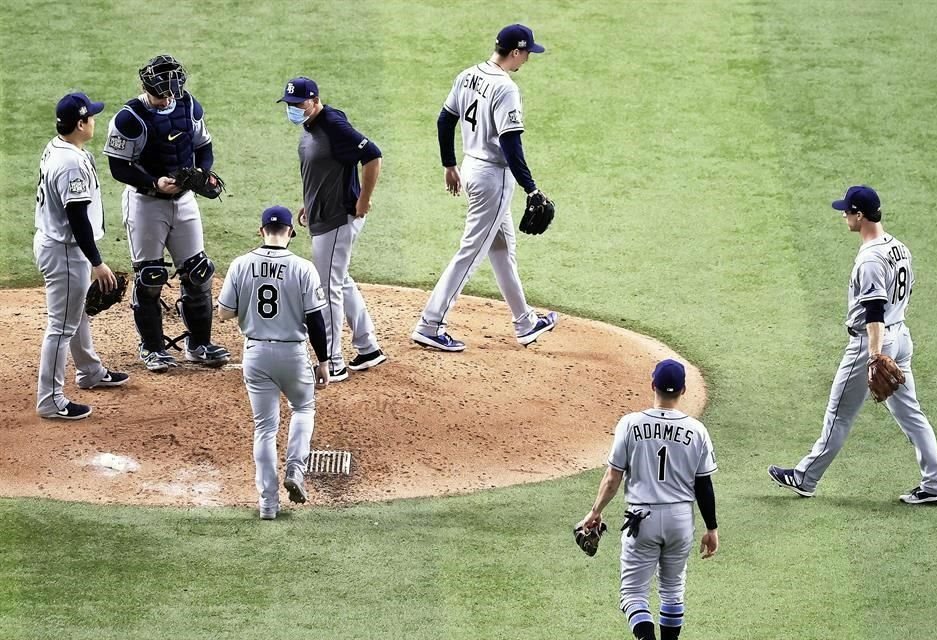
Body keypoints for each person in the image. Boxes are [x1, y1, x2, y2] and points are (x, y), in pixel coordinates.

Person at [769, 186, 937, 505]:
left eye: (847, 211)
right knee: (912, 414)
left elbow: (874, 309)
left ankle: (804, 477)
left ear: (860, 215)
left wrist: (875, 355)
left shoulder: (869, 258)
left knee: (839, 414)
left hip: (872, 340)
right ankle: (935, 484)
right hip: (901, 335)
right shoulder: (899, 247)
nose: (844, 215)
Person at [411, 24, 558, 352]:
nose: (528, 60)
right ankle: (430, 324)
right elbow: (510, 142)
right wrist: (531, 189)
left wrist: (449, 164)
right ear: (516, 52)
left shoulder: (467, 75)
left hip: (470, 167)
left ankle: (525, 322)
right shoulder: (506, 88)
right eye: (527, 54)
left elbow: (444, 119)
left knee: (502, 249)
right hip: (493, 178)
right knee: (472, 251)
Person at [102, 54, 229, 373]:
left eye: (172, 92)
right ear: (147, 87)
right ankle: (152, 348)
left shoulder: (189, 106)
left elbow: (205, 146)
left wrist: (204, 172)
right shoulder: (129, 118)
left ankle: (199, 344)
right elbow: (118, 166)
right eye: (162, 94)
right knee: (150, 275)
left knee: (199, 271)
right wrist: (153, 181)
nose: (167, 99)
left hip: (184, 201)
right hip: (145, 203)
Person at [577, 359, 718, 640]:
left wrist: (595, 511)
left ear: (653, 385)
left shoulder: (631, 424)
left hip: (642, 520)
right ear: (683, 390)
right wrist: (711, 528)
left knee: (633, 594)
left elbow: (612, 477)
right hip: (680, 520)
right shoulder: (697, 430)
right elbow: (704, 484)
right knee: (672, 590)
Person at [217, 205, 331, 520]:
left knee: (265, 428)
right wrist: (323, 361)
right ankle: (295, 468)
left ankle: (268, 504)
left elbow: (224, 312)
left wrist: (246, 308)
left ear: (261, 230)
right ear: (291, 233)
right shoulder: (303, 268)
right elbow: (316, 321)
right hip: (293, 354)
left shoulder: (241, 264)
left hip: (255, 355)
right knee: (304, 409)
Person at [277, 76, 386, 383]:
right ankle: (368, 347)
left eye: (298, 104)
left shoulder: (332, 124)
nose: (293, 109)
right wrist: (309, 202)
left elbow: (373, 155)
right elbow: (321, 169)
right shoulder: (312, 125)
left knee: (327, 289)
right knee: (339, 281)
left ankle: (334, 361)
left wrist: (363, 200)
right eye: (289, 105)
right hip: (322, 214)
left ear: (314, 100)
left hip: (339, 217)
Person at [34, 92, 130, 420]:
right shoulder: (72, 162)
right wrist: (97, 262)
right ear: (80, 123)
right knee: (60, 326)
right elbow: (77, 218)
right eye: (91, 117)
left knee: (75, 315)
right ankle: (50, 400)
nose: (95, 121)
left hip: (55, 242)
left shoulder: (60, 146)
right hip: (65, 250)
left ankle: (90, 371)